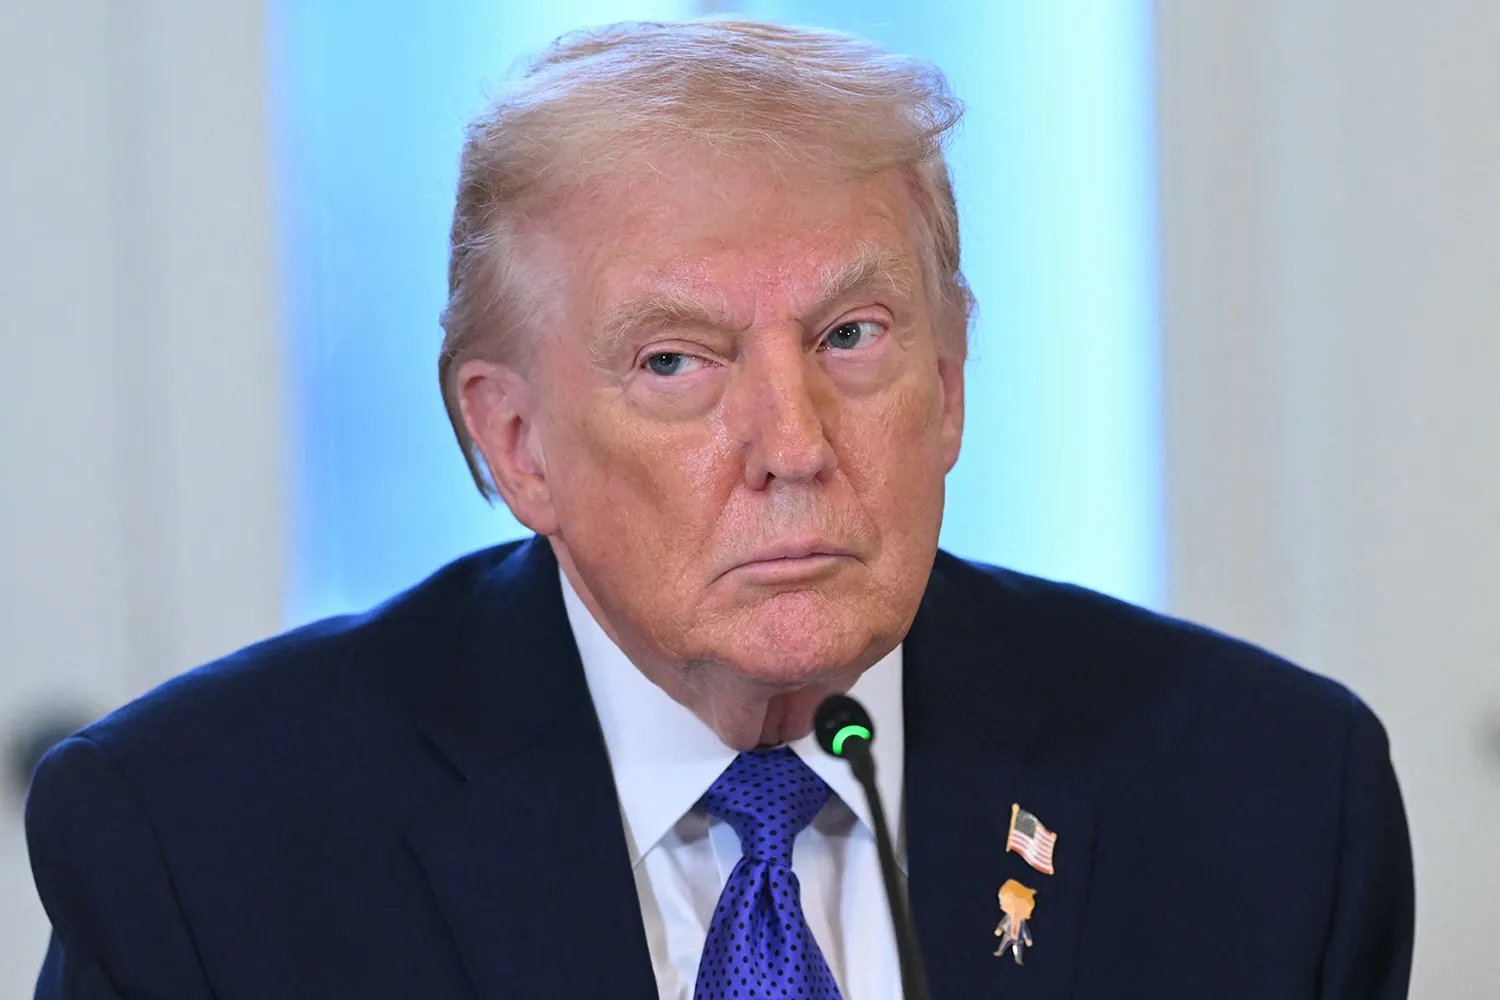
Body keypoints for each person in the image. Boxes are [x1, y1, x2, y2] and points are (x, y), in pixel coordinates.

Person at [24, 19, 1413, 1000]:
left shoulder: (1271, 800)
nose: (792, 445)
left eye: (852, 337)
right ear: (514, 442)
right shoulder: (201, 846)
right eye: (676, 363)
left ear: (948, 383)